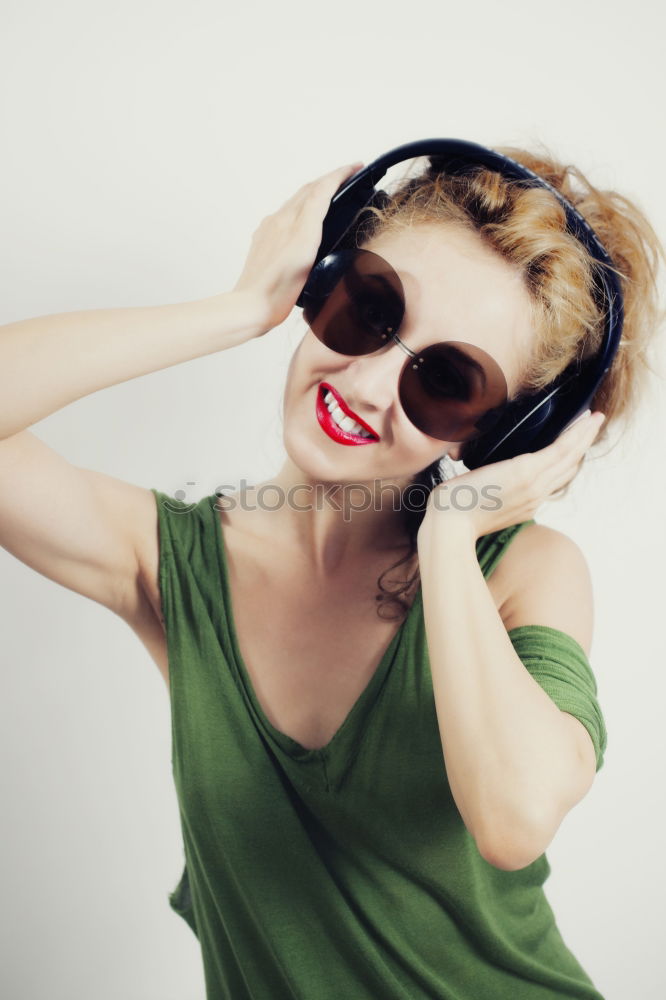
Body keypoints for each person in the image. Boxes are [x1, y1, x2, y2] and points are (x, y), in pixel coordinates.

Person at [0, 145, 663, 1000]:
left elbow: (515, 816)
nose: (371, 384)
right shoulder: (174, 565)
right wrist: (239, 310)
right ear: (325, 281)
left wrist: (450, 535)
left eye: (447, 379)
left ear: (500, 439)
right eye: (370, 309)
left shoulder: (523, 571)